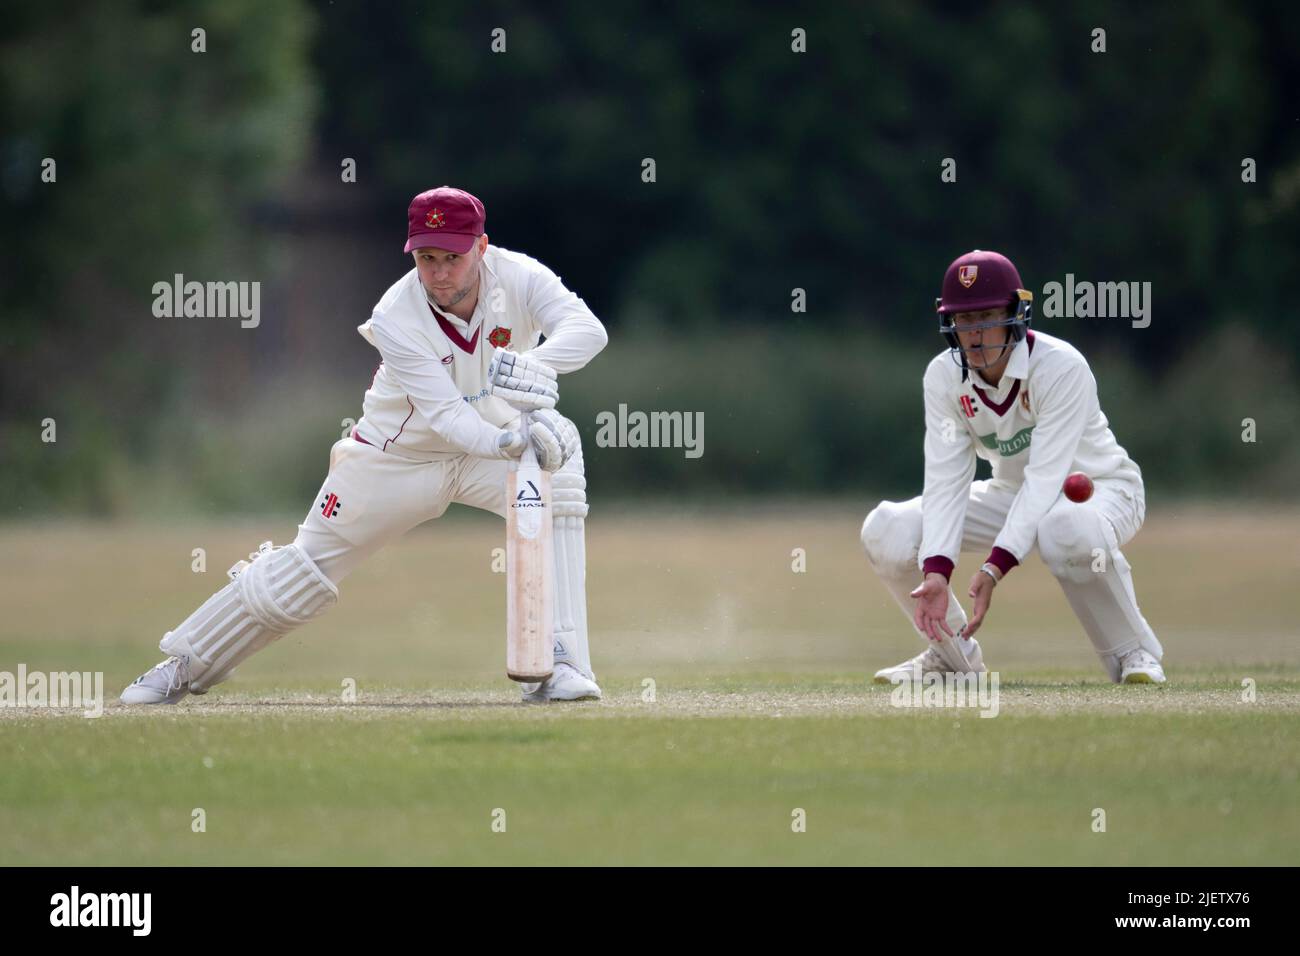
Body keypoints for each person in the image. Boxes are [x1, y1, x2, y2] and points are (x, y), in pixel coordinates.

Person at [122, 186, 608, 704]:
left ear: (481, 248)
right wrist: (509, 439)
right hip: (395, 459)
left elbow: (588, 330)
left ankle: (559, 661)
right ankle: (183, 666)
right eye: (427, 258)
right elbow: (445, 415)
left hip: (487, 452)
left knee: (561, 471)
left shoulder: (520, 277)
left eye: (452, 257)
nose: (440, 272)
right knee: (301, 573)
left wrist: (535, 364)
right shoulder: (395, 315)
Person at [860, 249, 1165, 684]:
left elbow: (1046, 476)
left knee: (1065, 529)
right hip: (1011, 492)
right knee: (885, 529)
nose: (975, 333)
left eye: (986, 316)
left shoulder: (1060, 367)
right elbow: (946, 482)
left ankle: (1135, 654)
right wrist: (938, 571)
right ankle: (953, 660)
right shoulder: (943, 377)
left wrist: (993, 567)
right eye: (964, 320)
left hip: (1101, 489)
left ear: (1015, 315)